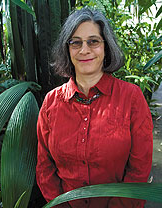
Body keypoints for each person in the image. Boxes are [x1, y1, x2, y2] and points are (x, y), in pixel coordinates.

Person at [36, 7, 153, 208]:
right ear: (67, 49)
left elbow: (139, 169)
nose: (84, 50)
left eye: (93, 41)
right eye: (76, 42)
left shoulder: (131, 98)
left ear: (106, 47)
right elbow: (44, 168)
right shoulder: (51, 103)